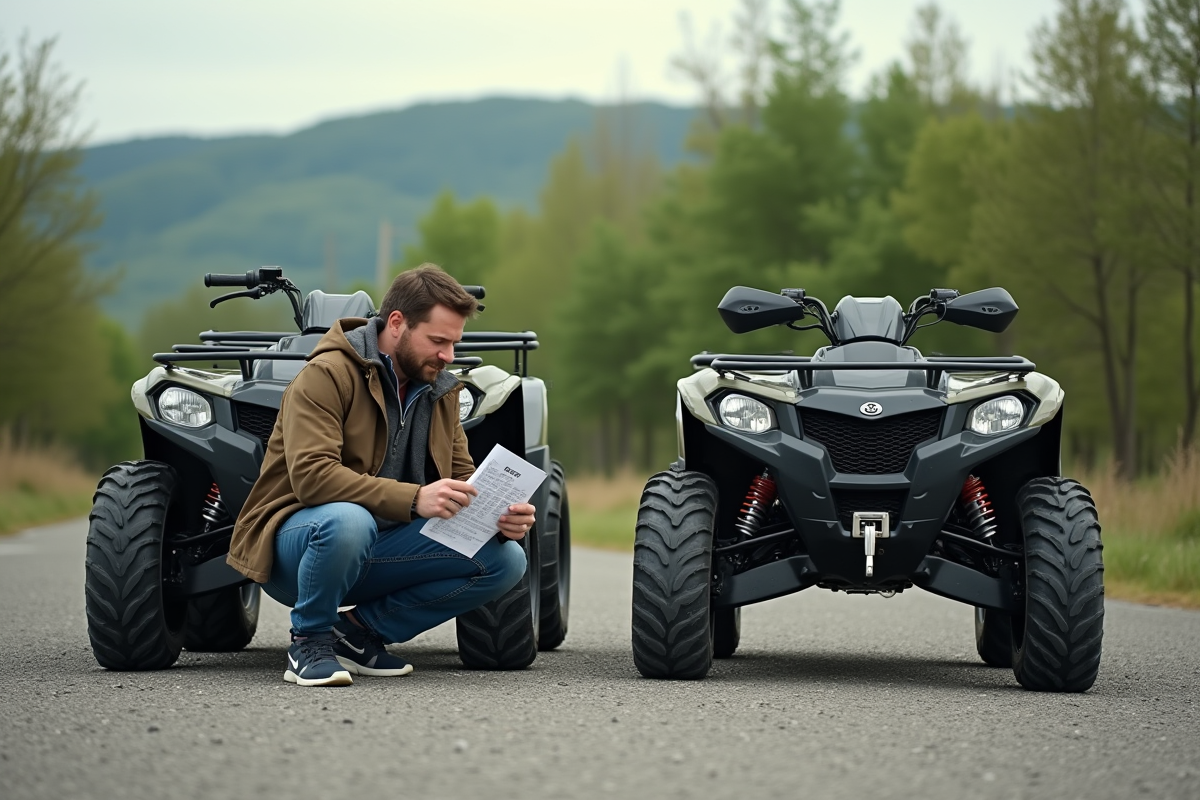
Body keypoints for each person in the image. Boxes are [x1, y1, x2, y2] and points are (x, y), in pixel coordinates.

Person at [227, 264, 534, 686]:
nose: (448, 356)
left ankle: (356, 634)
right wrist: (414, 499)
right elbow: (312, 478)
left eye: (454, 344)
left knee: (505, 561)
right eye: (438, 341)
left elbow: (466, 480)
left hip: (379, 549)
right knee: (349, 521)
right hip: (297, 548)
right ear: (396, 323)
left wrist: (500, 518)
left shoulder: (441, 390)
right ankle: (309, 641)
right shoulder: (327, 374)